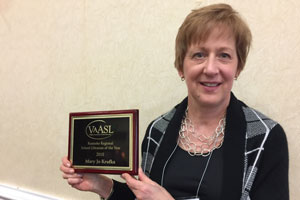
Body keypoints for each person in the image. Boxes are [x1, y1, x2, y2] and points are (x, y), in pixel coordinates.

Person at [60, 3, 289, 200]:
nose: (210, 68)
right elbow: (144, 195)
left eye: (224, 55)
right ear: (181, 66)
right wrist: (102, 185)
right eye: (199, 54)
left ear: (237, 67)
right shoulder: (156, 131)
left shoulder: (267, 138)